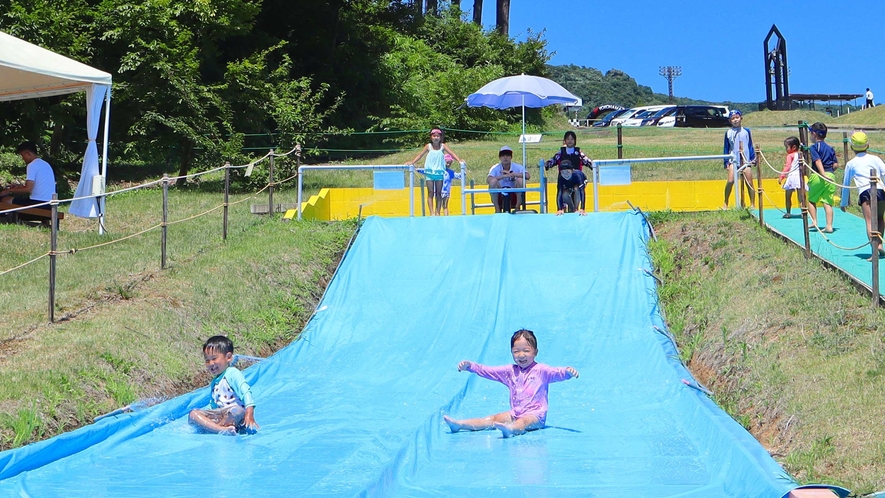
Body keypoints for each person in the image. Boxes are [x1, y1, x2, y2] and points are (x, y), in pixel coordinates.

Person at [443, 329, 579, 438]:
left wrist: (567, 372)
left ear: (535, 352)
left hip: (535, 416)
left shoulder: (541, 371)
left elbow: (556, 373)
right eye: (516, 351)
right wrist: (470, 366)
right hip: (515, 413)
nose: (521, 355)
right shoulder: (510, 371)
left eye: (526, 351)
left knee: (523, 422)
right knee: (492, 419)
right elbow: (488, 371)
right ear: (511, 353)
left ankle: (511, 430)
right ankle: (459, 425)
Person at [189, 335, 259, 434]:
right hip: (221, 415)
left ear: (228, 357)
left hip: (236, 415)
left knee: (235, 411)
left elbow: (246, 392)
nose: (210, 363)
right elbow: (214, 405)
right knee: (193, 414)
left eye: (214, 358)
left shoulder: (232, 373)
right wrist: (207, 416)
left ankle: (217, 428)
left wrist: (249, 412)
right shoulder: (214, 381)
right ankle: (221, 429)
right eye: (207, 360)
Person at [840, 131, 885, 260]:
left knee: (870, 221)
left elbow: (846, 184)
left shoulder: (851, 163)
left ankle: (874, 250)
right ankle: (880, 244)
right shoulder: (875, 158)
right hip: (881, 191)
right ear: (868, 144)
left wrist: (844, 203)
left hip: (866, 193)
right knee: (880, 218)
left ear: (851, 147)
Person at [408, 128, 464, 216]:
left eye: (438, 136)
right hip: (430, 173)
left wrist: (459, 160)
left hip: (439, 173)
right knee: (430, 192)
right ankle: (432, 213)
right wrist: (412, 162)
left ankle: (437, 212)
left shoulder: (443, 146)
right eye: (434, 136)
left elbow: (452, 153)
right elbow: (420, 155)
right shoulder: (428, 146)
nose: (436, 138)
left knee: (438, 193)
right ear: (431, 137)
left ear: (440, 137)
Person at [0, 141, 57, 208]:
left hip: (38, 204)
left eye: (22, 155)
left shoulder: (32, 165)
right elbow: (34, 186)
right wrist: (19, 186)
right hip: (50, 204)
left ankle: (10, 217)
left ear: (28, 153)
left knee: (5, 200)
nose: (22, 158)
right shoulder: (45, 164)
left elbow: (28, 189)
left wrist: (9, 191)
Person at [807, 122, 838, 232]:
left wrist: (823, 174)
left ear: (814, 134)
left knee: (811, 200)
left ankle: (814, 221)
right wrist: (829, 173)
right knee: (827, 202)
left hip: (818, 176)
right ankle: (829, 226)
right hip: (830, 176)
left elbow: (817, 161)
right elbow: (835, 164)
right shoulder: (830, 148)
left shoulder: (814, 147)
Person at [722, 110, 756, 210]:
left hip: (746, 160)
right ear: (730, 121)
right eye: (733, 118)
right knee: (730, 181)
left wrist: (753, 158)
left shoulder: (747, 131)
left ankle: (752, 204)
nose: (735, 120)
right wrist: (726, 162)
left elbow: (750, 145)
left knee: (749, 182)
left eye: (737, 117)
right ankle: (726, 202)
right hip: (734, 160)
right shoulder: (728, 133)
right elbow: (726, 148)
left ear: (741, 118)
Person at [487, 146, 529, 213]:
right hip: (500, 191)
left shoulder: (517, 167)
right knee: (493, 181)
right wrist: (503, 176)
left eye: (508, 155)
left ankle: (517, 207)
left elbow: (527, 176)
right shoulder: (495, 168)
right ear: (500, 157)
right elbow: (488, 179)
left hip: (514, 191)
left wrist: (513, 174)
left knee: (520, 180)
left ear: (511, 157)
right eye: (503, 155)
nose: (505, 157)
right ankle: (497, 209)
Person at [778, 137, 803, 218]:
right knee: (801, 197)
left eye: (787, 147)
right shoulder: (801, 154)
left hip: (792, 177)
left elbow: (787, 166)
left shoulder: (790, 155)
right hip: (799, 176)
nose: (786, 149)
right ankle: (803, 212)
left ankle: (788, 212)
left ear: (794, 147)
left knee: (788, 196)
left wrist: (782, 176)